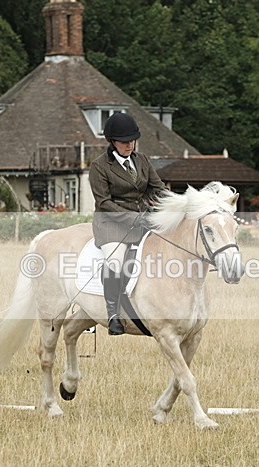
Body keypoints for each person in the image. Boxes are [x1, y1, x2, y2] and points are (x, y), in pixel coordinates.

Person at [89, 112, 167, 335]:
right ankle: (113, 314)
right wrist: (134, 218)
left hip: (142, 220)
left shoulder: (142, 160)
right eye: (124, 142)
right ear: (112, 142)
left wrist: (178, 205)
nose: (129, 145)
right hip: (111, 223)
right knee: (116, 261)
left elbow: (158, 189)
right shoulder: (99, 166)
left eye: (132, 141)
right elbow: (104, 202)